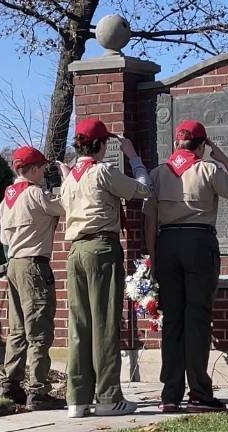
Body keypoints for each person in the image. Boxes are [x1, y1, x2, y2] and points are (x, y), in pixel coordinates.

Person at [143, 119, 228, 413]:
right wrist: (224, 159)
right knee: (198, 319)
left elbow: (150, 220)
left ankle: (170, 395)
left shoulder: (157, 173)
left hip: (166, 245)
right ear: (203, 145)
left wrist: (153, 256)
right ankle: (200, 392)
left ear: (177, 144)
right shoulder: (208, 168)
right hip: (198, 242)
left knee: (173, 320)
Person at [60, 118, 151, 418]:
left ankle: (78, 398)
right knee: (105, 323)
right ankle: (109, 397)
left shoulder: (70, 177)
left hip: (75, 251)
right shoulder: (102, 171)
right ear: (99, 145)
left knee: (80, 325)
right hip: (102, 247)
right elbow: (142, 189)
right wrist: (134, 157)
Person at [0, 146, 67, 410]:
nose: (45, 173)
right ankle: (38, 391)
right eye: (43, 169)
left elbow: (4, 239)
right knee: (39, 329)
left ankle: (10, 384)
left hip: (13, 264)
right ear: (35, 169)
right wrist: (67, 178)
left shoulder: (7, 199)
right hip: (35, 264)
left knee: (17, 329)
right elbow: (64, 205)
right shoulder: (36, 193)